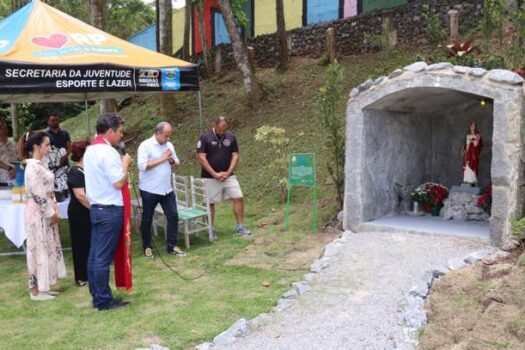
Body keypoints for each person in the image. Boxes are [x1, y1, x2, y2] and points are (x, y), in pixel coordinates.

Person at [84, 113, 132, 311]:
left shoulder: (90, 150)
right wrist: (126, 164)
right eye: (120, 132)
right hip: (110, 209)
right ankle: (103, 299)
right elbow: (118, 182)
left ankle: (97, 295)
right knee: (102, 257)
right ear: (110, 131)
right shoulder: (107, 152)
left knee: (95, 256)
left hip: (97, 207)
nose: (122, 135)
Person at [24, 131, 67, 301]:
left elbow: (49, 191)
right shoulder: (33, 167)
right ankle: (36, 290)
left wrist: (54, 208)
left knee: (48, 246)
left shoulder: (41, 164)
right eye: (47, 145)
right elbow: (38, 194)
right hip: (38, 213)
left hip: (46, 210)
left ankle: (45, 285)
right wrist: (49, 212)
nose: (49, 148)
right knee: (38, 248)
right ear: (37, 146)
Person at [137, 121, 186, 258]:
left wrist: (170, 160)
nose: (168, 139)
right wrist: (162, 158)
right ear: (157, 133)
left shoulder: (169, 145)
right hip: (149, 189)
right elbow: (142, 166)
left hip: (166, 189)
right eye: (166, 136)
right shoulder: (145, 145)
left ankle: (171, 246)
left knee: (173, 216)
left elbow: (176, 165)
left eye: (170, 135)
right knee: (147, 218)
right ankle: (147, 246)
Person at [197, 116, 251, 237]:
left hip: (228, 176)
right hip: (210, 177)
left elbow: (235, 156)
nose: (222, 132)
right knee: (209, 203)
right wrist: (214, 174)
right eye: (220, 129)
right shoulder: (205, 137)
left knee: (238, 197)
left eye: (224, 129)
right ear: (215, 125)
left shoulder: (231, 137)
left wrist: (228, 172)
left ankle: (240, 227)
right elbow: (201, 158)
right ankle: (211, 229)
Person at [67, 141, 91, 286]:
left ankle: (89, 272)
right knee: (80, 243)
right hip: (79, 212)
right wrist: (94, 209)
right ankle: (81, 277)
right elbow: (81, 196)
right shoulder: (75, 172)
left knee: (89, 242)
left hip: (86, 211)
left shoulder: (86, 170)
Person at [44, 114, 71, 201]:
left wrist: (65, 156)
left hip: (64, 164)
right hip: (50, 166)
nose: (55, 122)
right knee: (52, 186)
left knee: (65, 185)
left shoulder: (65, 133)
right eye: (52, 120)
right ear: (48, 122)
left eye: (56, 120)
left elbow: (69, 147)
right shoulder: (45, 134)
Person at [0, 121, 17, 185]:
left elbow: (18, 158)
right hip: (2, 177)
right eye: (1, 128)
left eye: (5, 128)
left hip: (15, 175)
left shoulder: (13, 143)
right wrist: (9, 168)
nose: (4, 130)